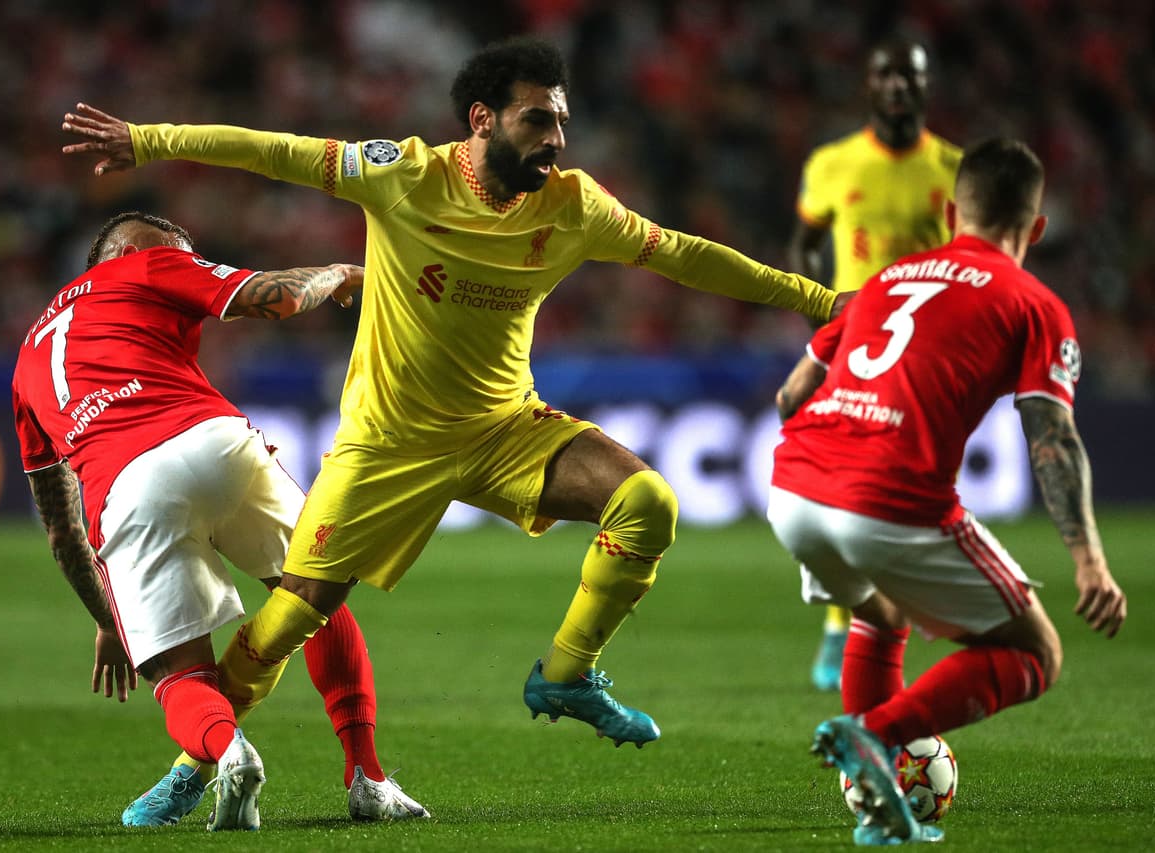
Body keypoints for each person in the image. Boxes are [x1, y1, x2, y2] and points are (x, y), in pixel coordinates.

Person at [60, 36, 847, 749]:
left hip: (505, 428)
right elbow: (275, 152)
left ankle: (567, 673)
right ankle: (200, 764)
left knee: (647, 503)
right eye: (537, 120)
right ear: (482, 119)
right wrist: (149, 140)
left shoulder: (574, 205)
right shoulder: (402, 175)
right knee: (295, 611)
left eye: (561, 121)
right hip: (389, 441)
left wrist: (820, 301)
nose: (556, 138)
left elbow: (684, 254)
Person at [13, 212, 428, 830]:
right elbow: (278, 297)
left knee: (181, 679)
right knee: (314, 597)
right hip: (216, 443)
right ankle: (368, 778)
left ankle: (229, 752)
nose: (187, 264)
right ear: (125, 253)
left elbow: (62, 529)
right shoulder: (146, 265)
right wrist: (340, 272)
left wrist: (107, 620)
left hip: (126, 490)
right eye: (180, 253)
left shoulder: (26, 361)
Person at [767, 138, 1127, 845]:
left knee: (882, 611)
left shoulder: (885, 280)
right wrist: (1089, 559)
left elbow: (791, 395)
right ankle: (874, 736)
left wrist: (834, 456)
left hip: (794, 489)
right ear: (1036, 228)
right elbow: (1051, 435)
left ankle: (878, 812)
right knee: (1037, 653)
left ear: (951, 213)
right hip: (885, 500)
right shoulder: (1034, 302)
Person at [786, 38, 963, 692]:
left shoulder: (953, 169)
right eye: (886, 75)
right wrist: (824, 324)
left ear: (925, 84)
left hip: (928, 354)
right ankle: (845, 623)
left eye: (908, 76)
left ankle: (872, 622)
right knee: (846, 486)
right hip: (854, 348)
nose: (897, 87)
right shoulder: (833, 163)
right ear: (869, 84)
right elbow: (804, 246)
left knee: (903, 493)